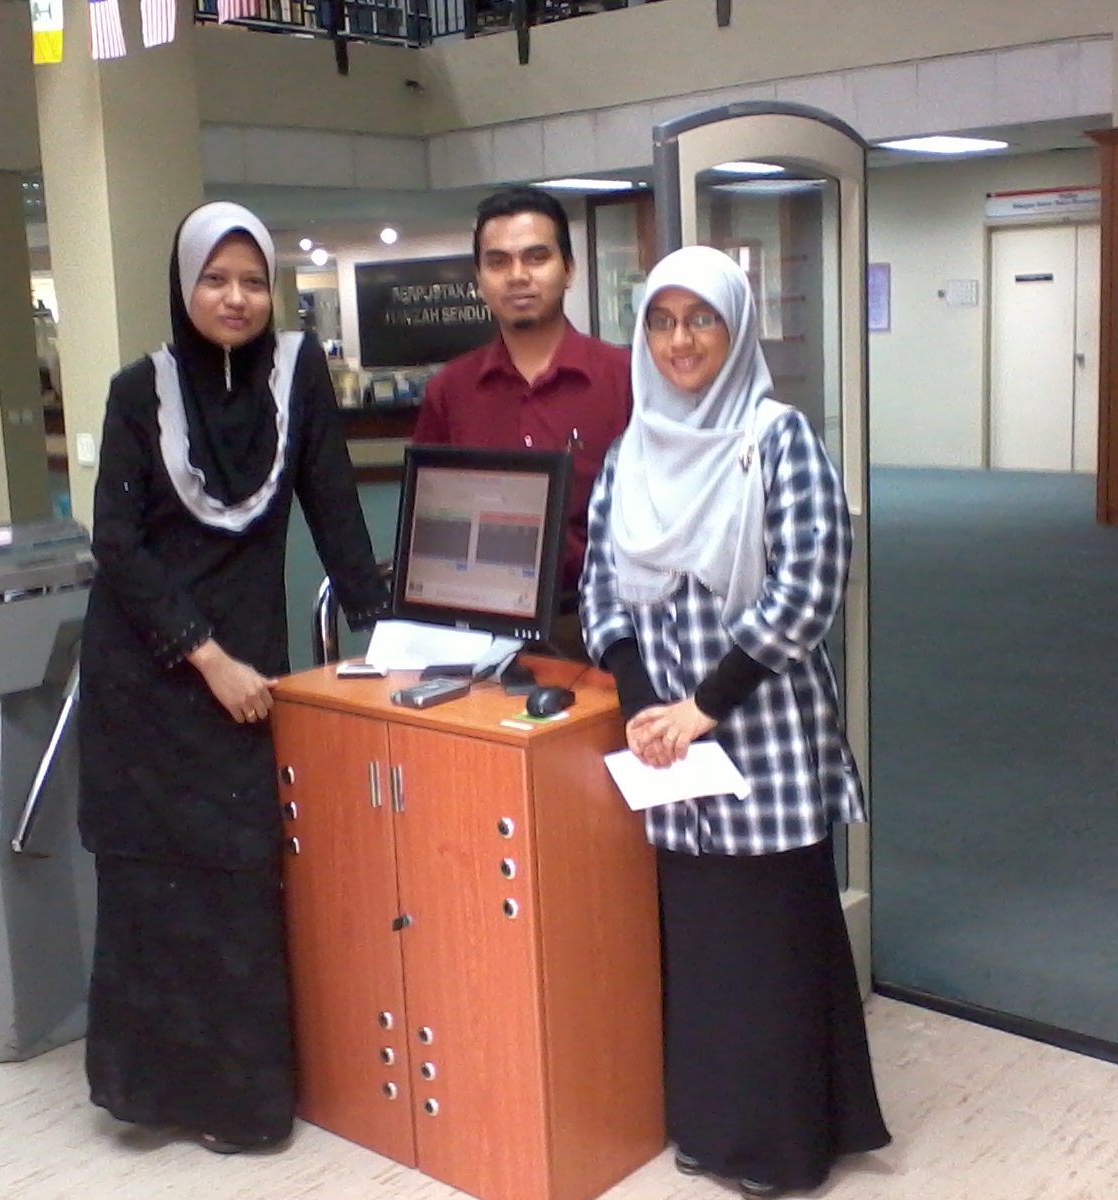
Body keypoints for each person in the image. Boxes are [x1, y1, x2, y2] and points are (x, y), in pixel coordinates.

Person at [76, 201, 388, 1155]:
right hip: (151, 673)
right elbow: (116, 544)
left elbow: (334, 504)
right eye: (215, 279)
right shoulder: (139, 391)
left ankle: (241, 1105)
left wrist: (389, 629)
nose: (236, 298)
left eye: (253, 280)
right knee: (153, 889)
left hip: (247, 679)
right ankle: (152, 1092)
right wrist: (204, 655)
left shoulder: (298, 374)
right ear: (185, 287)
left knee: (239, 882)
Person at [581, 245, 890, 1198]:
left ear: (737, 328)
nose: (681, 341)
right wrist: (642, 702)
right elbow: (600, 587)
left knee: (773, 948)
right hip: (668, 753)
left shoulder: (778, 439)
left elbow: (811, 586)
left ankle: (786, 1146)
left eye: (701, 320)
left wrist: (704, 706)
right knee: (705, 951)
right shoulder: (631, 453)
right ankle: (715, 1129)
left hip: (760, 742)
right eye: (663, 322)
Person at [413, 186, 631, 653]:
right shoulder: (449, 391)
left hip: (607, 630)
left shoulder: (627, 379)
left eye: (536, 257)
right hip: (481, 635)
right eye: (498, 262)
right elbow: (430, 532)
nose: (517, 276)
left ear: (568, 269)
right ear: (479, 278)